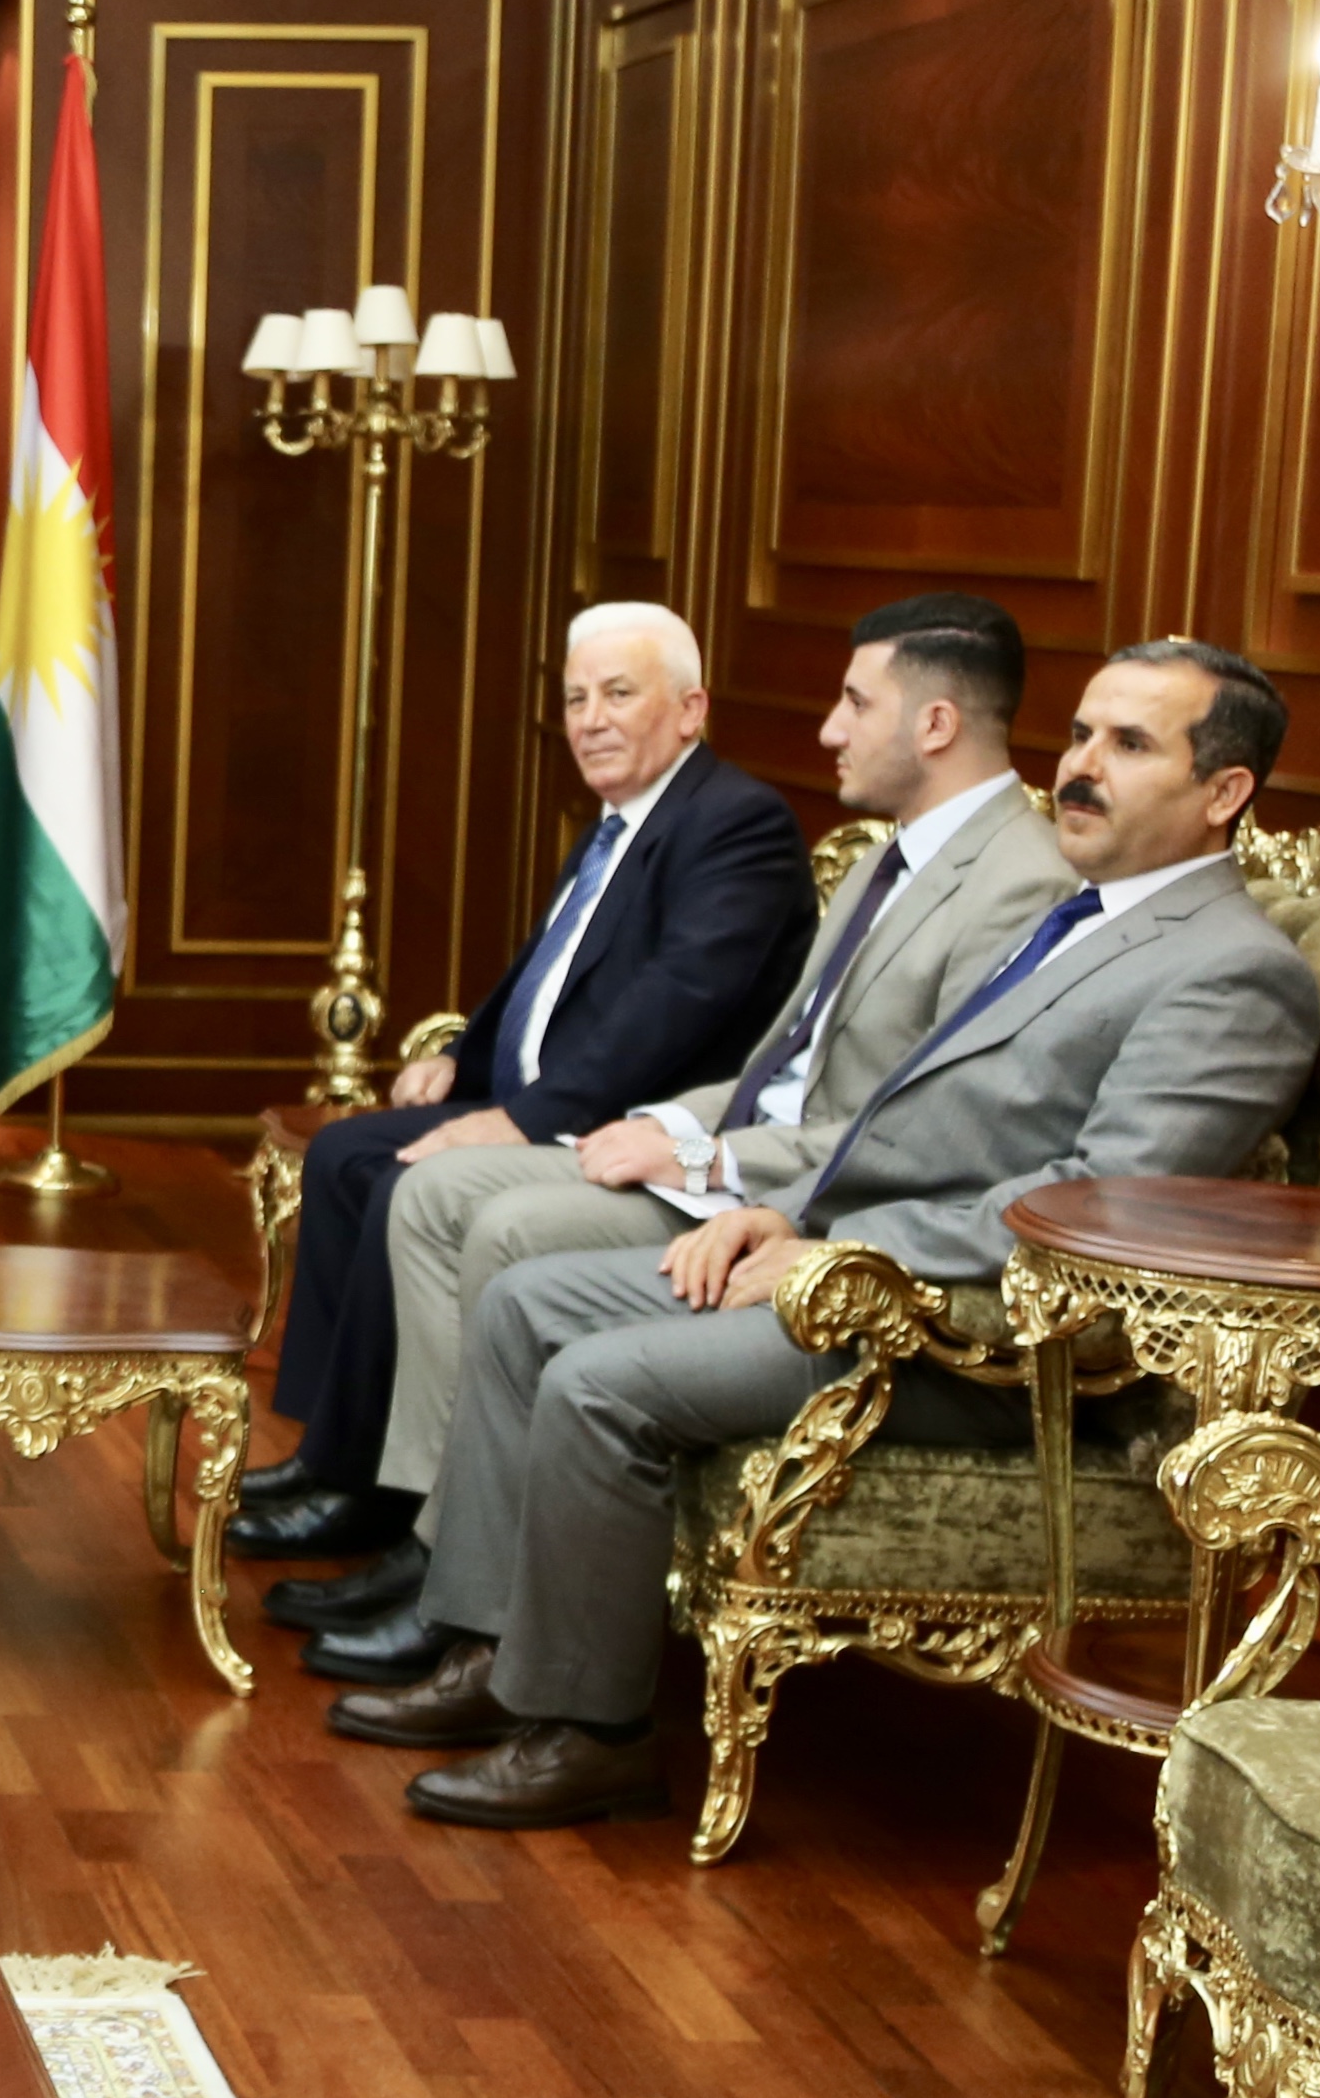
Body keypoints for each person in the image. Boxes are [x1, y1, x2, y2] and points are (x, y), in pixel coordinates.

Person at [339, 641, 1320, 1829]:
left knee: (601, 1381)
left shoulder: (1235, 972)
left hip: (989, 1341)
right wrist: (783, 1211)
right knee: (524, 1303)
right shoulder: (1078, 914)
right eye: (1078, 735)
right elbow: (919, 1114)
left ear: (1224, 793)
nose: (1077, 767)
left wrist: (847, 1256)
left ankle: (587, 1734)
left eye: (1129, 744)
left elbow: (1099, 1206)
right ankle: (494, 1656)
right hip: (860, 1258)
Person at [287, 594, 1071, 1678]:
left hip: (809, 1214)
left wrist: (708, 1158)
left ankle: (446, 1572)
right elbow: (777, 1065)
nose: (829, 730)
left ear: (933, 724)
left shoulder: (1018, 882)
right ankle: (429, 1538)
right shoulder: (898, 857)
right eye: (577, 697)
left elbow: (905, 1129)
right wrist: (669, 1124)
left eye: (853, 703)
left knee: (489, 1220)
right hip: (734, 1151)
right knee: (413, 1187)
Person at [229, 602, 812, 1563]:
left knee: (392, 1178)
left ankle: (377, 1489)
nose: (589, 718)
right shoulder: (617, 822)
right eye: (576, 698)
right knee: (340, 1152)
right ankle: (335, 1455)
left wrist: (515, 1119)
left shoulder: (734, 824)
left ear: (690, 709)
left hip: (627, 1124)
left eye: (619, 694)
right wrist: (464, 1051)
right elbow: (549, 969)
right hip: (544, 1098)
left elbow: (674, 1006)